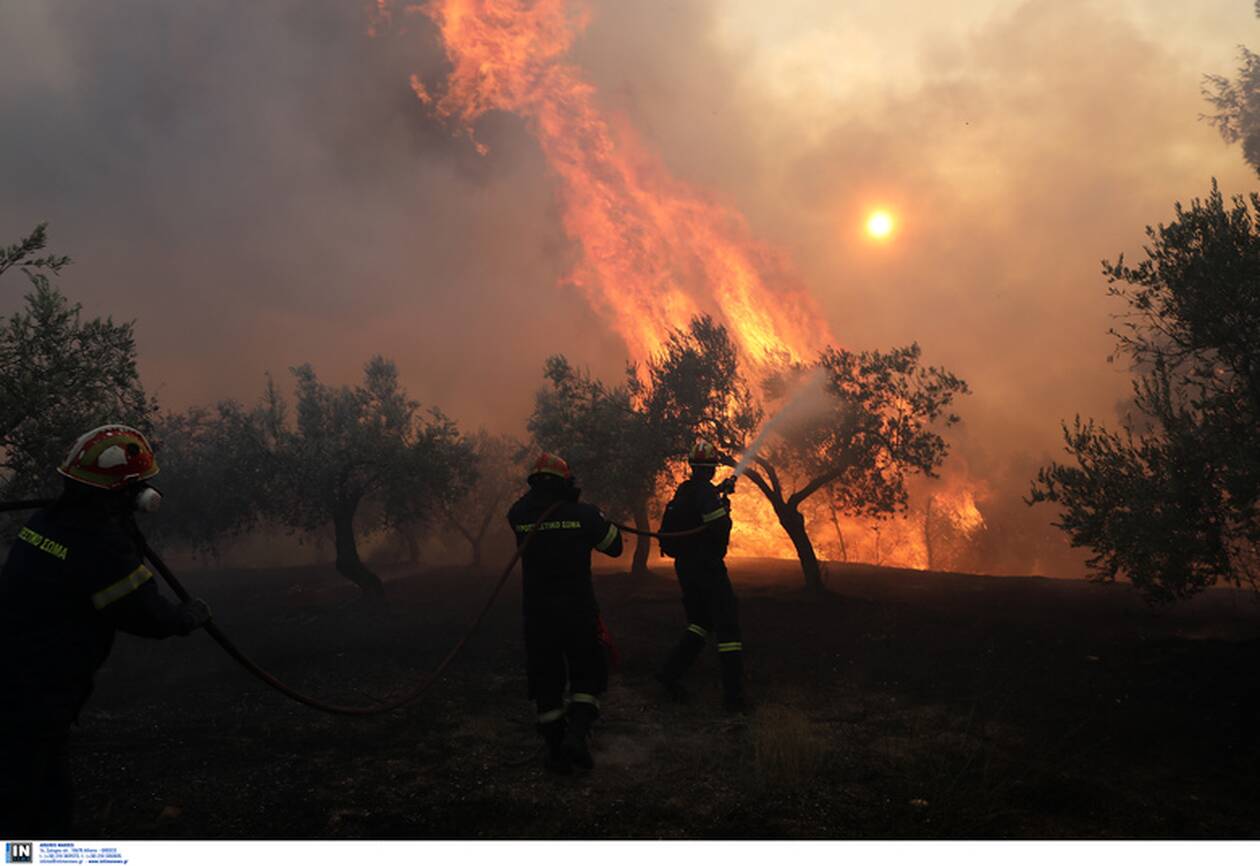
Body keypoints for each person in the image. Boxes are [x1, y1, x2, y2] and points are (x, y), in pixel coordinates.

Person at [0, 425, 212, 837]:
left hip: (17, 675)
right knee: (27, 804)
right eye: (143, 485)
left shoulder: (46, 522)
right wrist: (186, 618)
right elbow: (145, 613)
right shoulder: (99, 546)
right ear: (127, 492)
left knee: (44, 795)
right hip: (34, 690)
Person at [506, 453, 623, 773]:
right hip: (578, 611)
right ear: (565, 483)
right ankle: (576, 736)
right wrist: (597, 515)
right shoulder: (583, 515)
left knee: (546, 680)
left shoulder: (519, 516)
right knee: (588, 672)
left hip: (538, 614)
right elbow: (615, 546)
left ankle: (555, 750)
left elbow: (523, 507)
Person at [655, 440, 746, 711]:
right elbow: (719, 527)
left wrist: (719, 494)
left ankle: (669, 674)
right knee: (728, 627)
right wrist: (726, 508)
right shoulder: (704, 492)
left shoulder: (684, 490)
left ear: (693, 466)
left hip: (685, 568)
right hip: (707, 567)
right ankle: (734, 699)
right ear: (712, 469)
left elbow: (698, 510)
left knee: (700, 622)